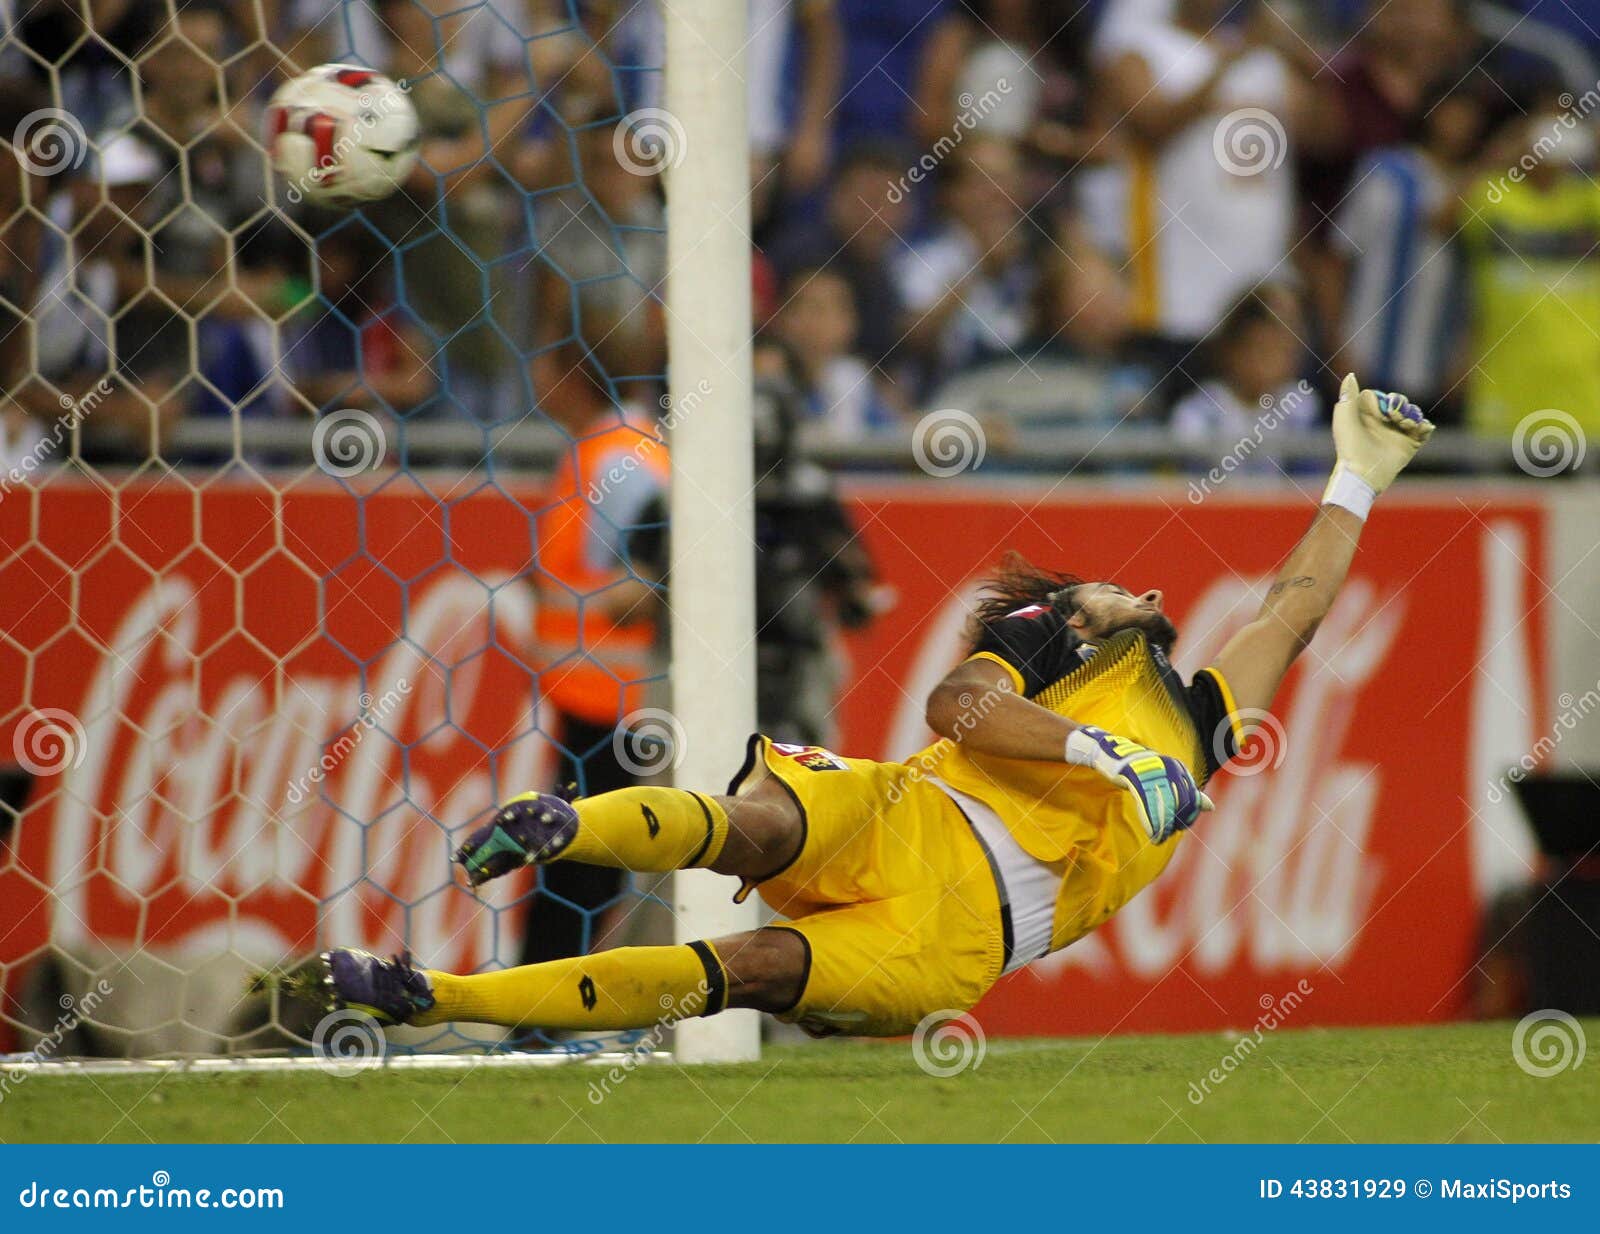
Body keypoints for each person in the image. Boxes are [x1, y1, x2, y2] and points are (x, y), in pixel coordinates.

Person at [297, 377, 1433, 1038]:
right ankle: (565, 822)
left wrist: (1358, 477)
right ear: (1078, 614)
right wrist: (1097, 752)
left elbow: (1292, 607)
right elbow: (956, 708)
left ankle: (431, 991)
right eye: (1116, 586)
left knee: (737, 970)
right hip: (906, 812)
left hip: (956, 934)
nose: (1146, 588)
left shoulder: (1194, 716)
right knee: (760, 826)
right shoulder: (1044, 647)